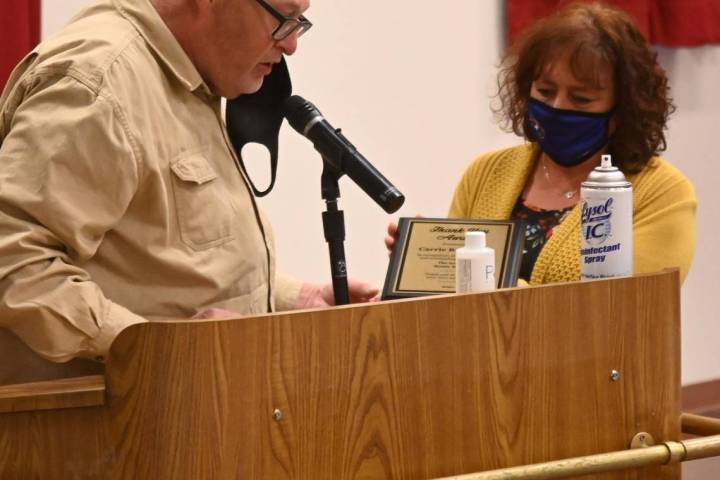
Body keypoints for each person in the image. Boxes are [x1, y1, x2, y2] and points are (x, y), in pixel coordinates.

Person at [0, 0, 377, 377]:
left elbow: (162, 260)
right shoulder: (99, 84)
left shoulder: (188, 73)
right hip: (99, 428)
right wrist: (156, 347)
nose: (291, 44)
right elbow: (14, 260)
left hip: (184, 415)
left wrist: (293, 300)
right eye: (284, 19)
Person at [386, 2, 695, 285]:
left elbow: (624, 311)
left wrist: (479, 277)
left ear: (623, 108)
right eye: (546, 92)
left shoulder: (662, 193)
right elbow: (452, 305)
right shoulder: (486, 173)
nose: (559, 106)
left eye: (581, 98)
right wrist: (426, 261)